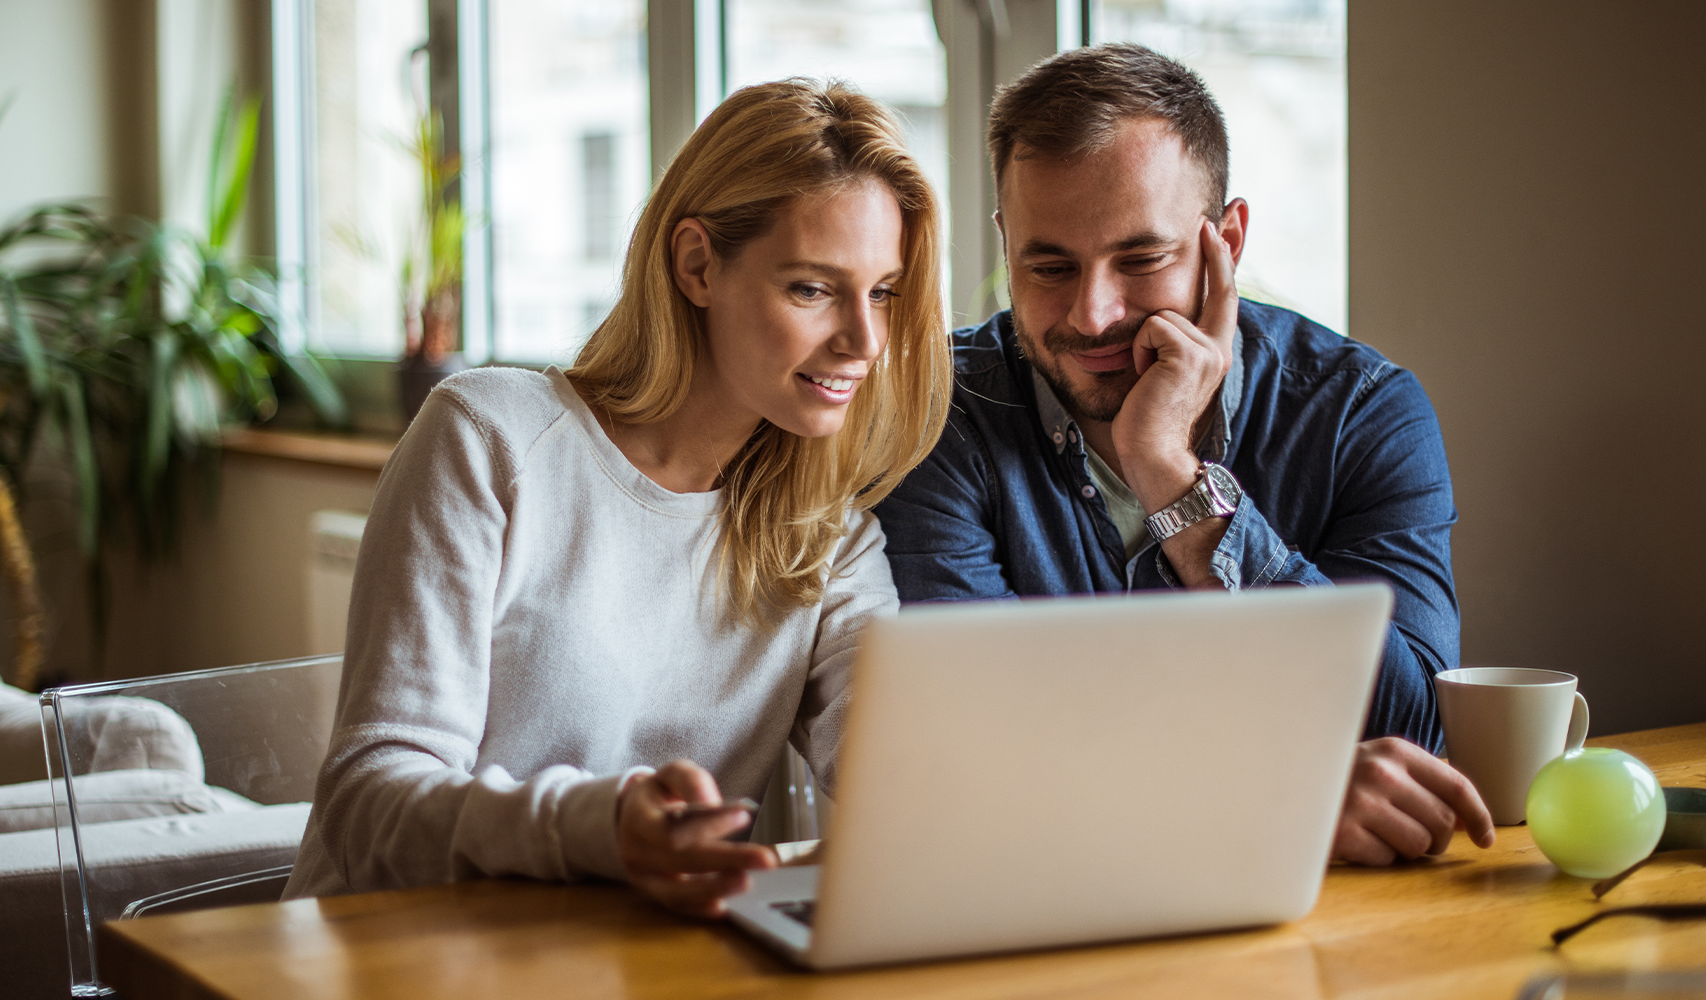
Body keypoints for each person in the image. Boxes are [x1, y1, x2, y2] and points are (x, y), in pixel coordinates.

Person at [285, 79, 951, 916]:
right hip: (391, 956)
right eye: (813, 289)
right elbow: (366, 805)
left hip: (622, 963)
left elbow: (889, 765)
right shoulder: (490, 440)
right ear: (697, 265)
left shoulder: (830, 534)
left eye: (883, 291)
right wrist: (596, 829)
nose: (865, 341)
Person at [873, 43, 1495, 867]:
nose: (1093, 315)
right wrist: (1278, 792)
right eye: (1050, 265)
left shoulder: (1361, 413)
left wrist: (1172, 474)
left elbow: (1411, 732)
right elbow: (969, 746)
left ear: (1225, 240)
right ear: (1004, 242)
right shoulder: (935, 413)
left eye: (1141, 259)